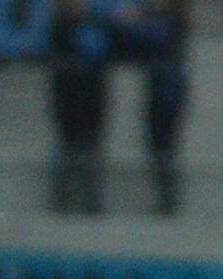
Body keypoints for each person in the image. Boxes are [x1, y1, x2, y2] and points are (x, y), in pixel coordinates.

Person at [46, 0, 114, 215]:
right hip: (68, 95)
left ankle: (91, 199)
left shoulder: (98, 25)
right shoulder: (59, 27)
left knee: (90, 149)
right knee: (68, 147)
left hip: (92, 96)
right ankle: (62, 198)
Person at [128, 0, 191, 213]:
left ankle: (167, 196)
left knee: (164, 143)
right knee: (157, 144)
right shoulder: (158, 17)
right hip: (159, 86)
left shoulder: (172, 20)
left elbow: (153, 38)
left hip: (168, 89)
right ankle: (164, 193)